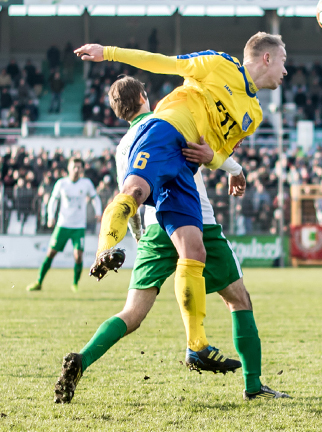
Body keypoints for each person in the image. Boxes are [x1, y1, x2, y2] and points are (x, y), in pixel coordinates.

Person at [54, 76, 289, 404]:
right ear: (142, 96)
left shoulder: (124, 145)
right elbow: (206, 154)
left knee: (131, 314)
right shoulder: (171, 120)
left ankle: (82, 359)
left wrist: (139, 236)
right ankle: (252, 384)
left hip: (153, 228)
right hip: (196, 221)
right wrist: (233, 168)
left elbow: (132, 195)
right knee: (238, 299)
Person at [27, 157, 102, 292]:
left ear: (82, 169)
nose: (76, 169)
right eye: (74, 166)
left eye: (79, 167)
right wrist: (50, 217)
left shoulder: (86, 183)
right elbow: (53, 201)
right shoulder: (62, 183)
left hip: (78, 226)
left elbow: (95, 197)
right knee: (50, 253)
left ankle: (75, 283)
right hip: (62, 225)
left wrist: (98, 212)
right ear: (68, 168)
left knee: (78, 255)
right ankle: (39, 282)